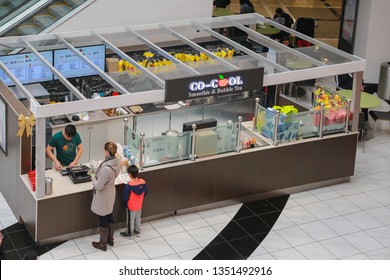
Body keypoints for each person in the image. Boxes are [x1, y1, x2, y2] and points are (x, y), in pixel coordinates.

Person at [90, 142, 121, 251]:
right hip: (111, 192)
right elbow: (115, 176)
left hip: (103, 195)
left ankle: (103, 243)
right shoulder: (117, 163)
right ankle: (110, 239)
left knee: (102, 216)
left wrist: (93, 178)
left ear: (107, 152)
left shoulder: (106, 169)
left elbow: (98, 186)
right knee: (109, 213)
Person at [120, 165, 148, 239]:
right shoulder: (143, 182)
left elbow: (125, 197)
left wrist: (125, 201)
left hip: (131, 206)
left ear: (129, 174)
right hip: (139, 205)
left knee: (130, 220)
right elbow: (146, 193)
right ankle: (138, 231)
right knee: (138, 218)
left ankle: (129, 233)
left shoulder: (129, 185)